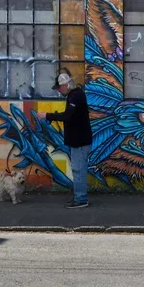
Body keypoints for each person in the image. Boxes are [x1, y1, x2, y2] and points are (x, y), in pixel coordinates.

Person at [42, 72, 92, 208]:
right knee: (78, 169)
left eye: (59, 88)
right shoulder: (74, 95)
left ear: (65, 85)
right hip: (78, 140)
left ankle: (81, 199)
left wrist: (47, 115)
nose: (59, 91)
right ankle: (79, 197)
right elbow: (70, 116)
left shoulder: (76, 96)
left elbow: (67, 116)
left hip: (80, 141)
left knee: (78, 170)